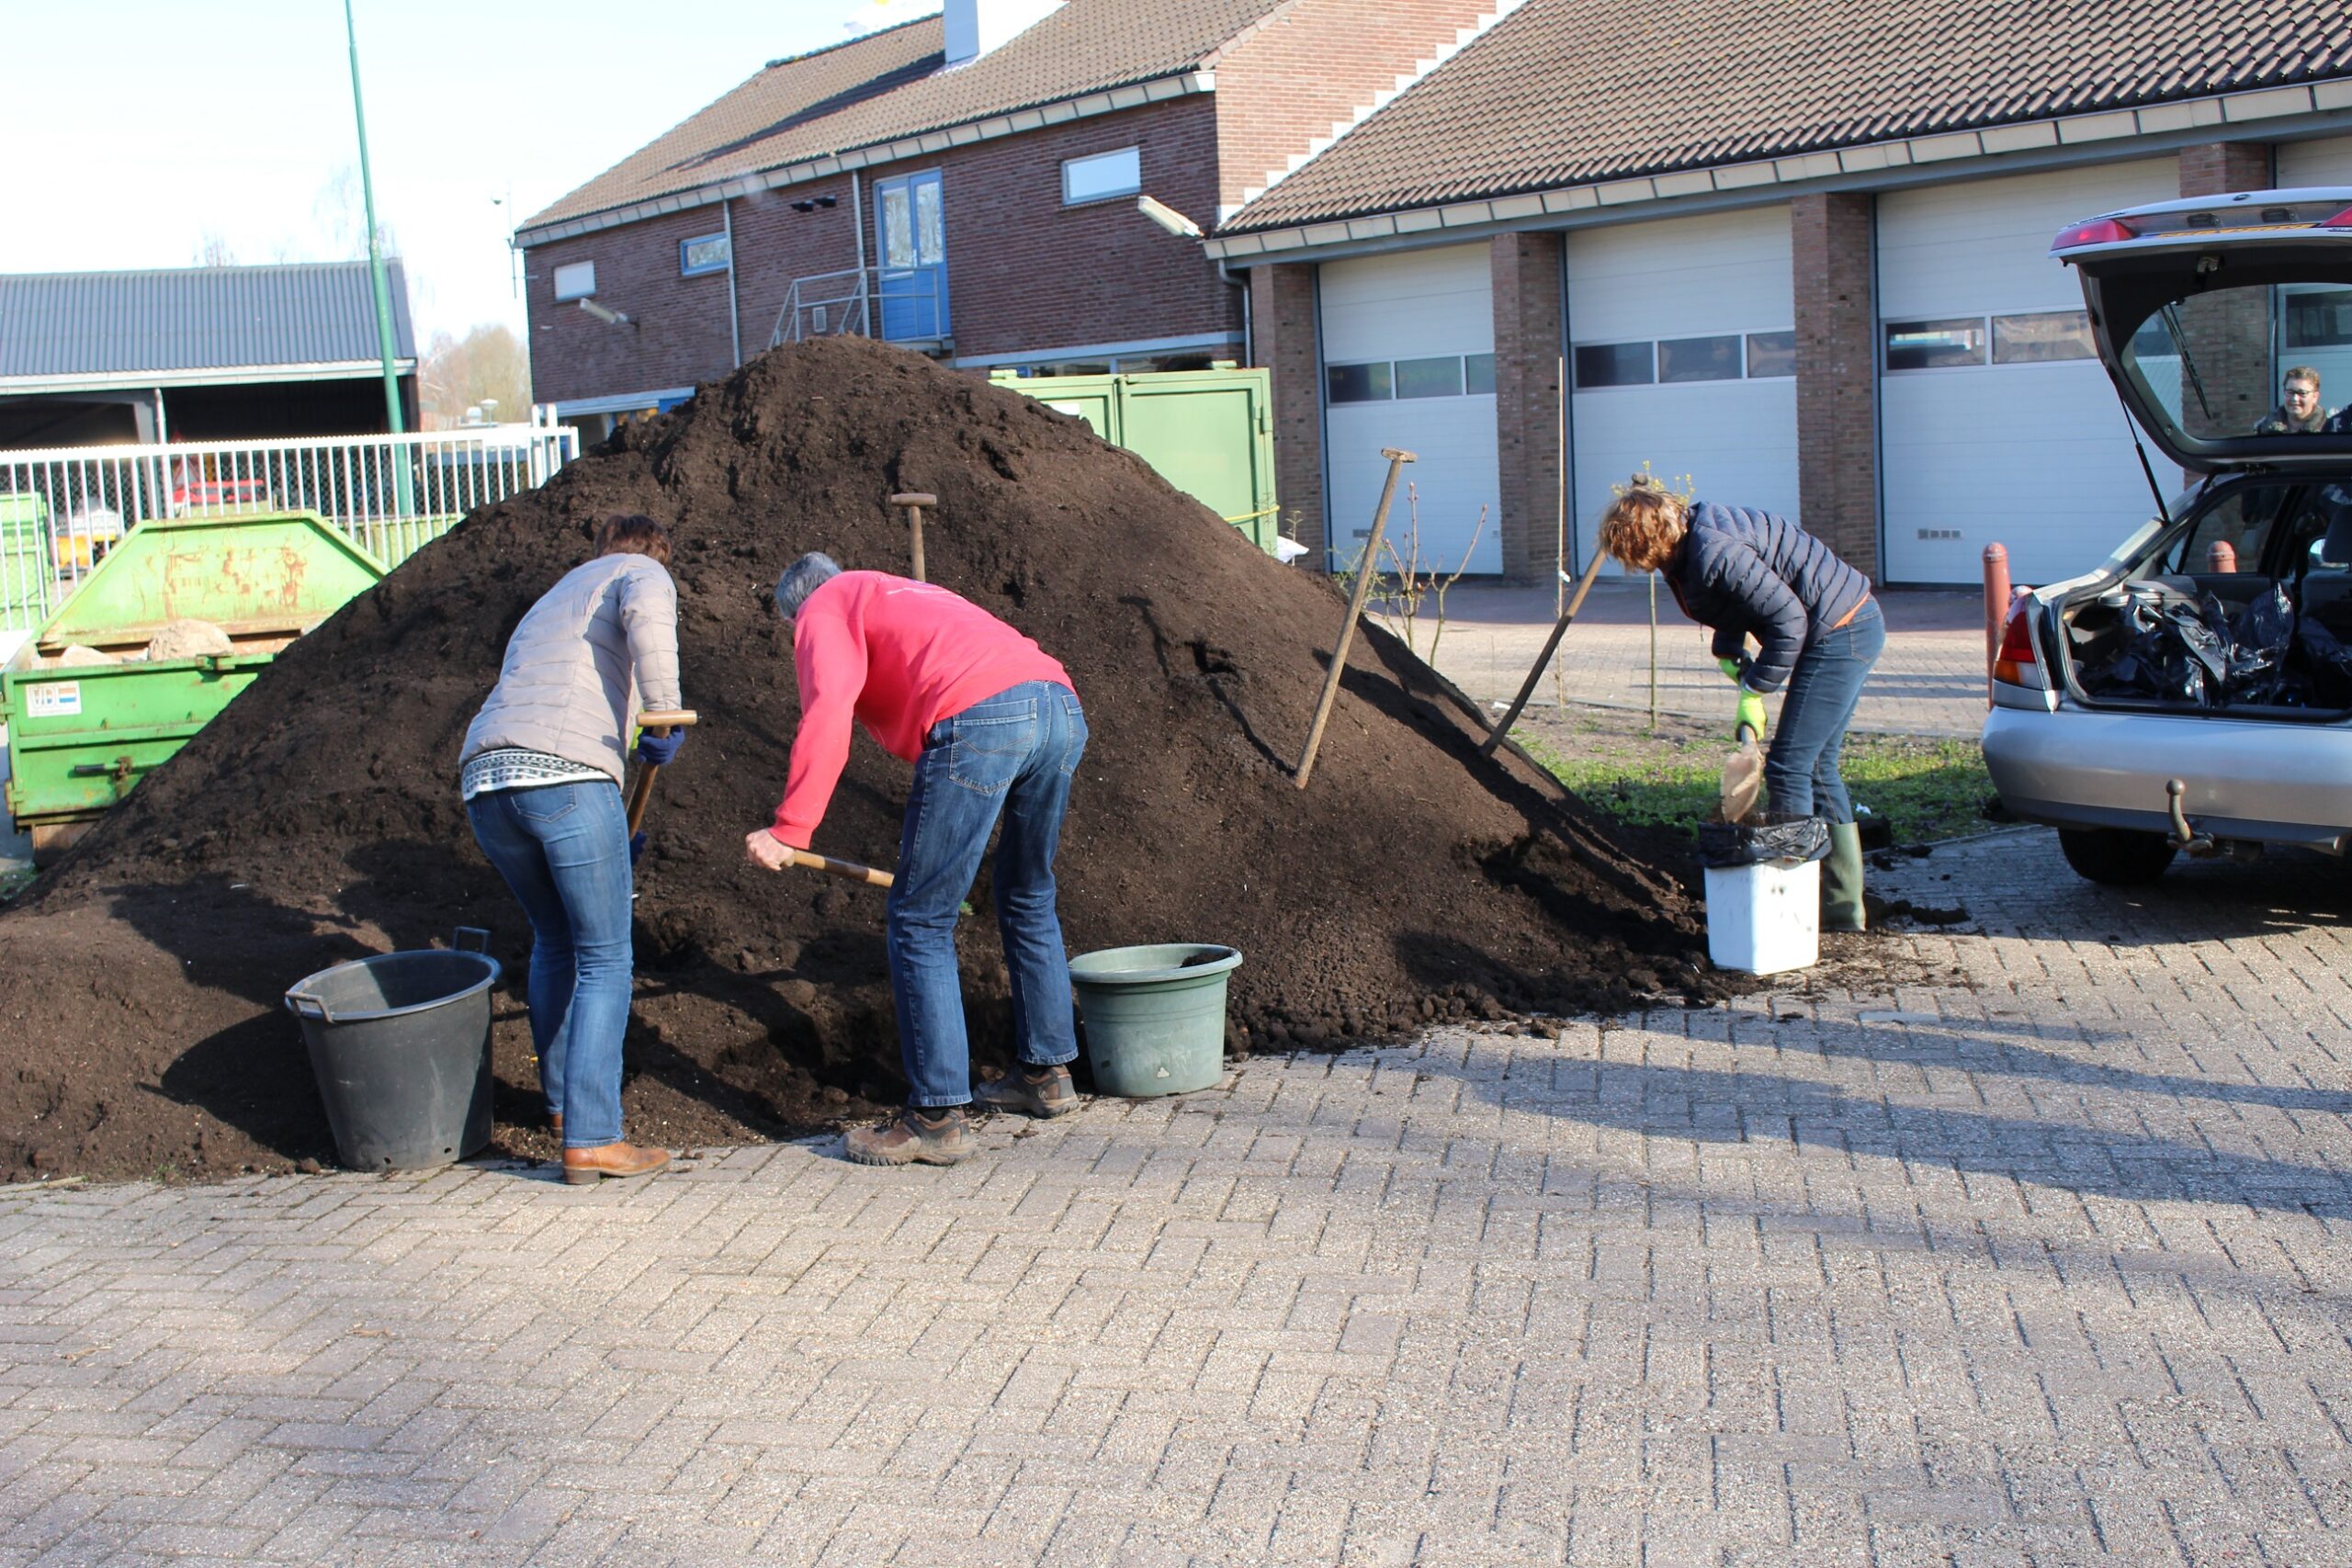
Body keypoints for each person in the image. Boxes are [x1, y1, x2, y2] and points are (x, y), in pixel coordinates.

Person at [745, 553, 1088, 1167]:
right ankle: (1046, 1074)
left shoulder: (824, 607)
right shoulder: (900, 592)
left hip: (984, 715)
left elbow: (828, 709)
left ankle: (935, 1116)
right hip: (1058, 705)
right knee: (1026, 894)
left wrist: (790, 828)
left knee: (920, 916)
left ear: (796, 614)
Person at [458, 514, 685, 1186]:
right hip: (567, 776)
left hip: (487, 782)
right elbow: (648, 620)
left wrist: (610, 826)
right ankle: (593, 1137)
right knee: (606, 955)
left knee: (554, 939)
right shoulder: (640, 572)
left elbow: (565, 691)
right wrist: (666, 712)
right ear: (654, 553)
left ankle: (561, 1109)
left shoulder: (551, 599)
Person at [1597, 478, 1883, 931]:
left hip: (1841, 631)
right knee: (1818, 766)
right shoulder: (1693, 541)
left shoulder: (1714, 550)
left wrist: (1755, 691)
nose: (1640, 567)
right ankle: (1842, 909)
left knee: (1789, 766)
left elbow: (1789, 620)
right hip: (1841, 624)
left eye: (1636, 556)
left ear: (1651, 540)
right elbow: (1736, 600)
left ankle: (1795, 909)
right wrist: (1729, 650)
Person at [2254, 367, 2333, 434]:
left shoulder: (2330, 430)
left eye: (2302, 393)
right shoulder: (2264, 430)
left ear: (2315, 397)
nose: (2294, 398)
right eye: (2290, 392)